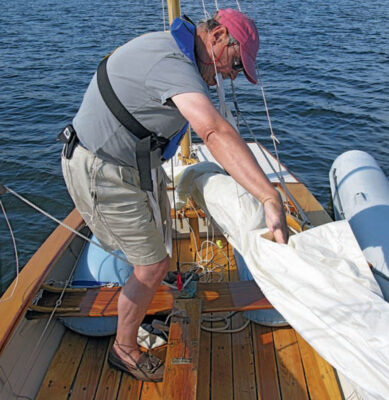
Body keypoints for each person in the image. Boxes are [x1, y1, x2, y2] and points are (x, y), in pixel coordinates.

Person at [61, 8, 288, 382]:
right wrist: (269, 197)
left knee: (160, 251)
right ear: (216, 38)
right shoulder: (171, 63)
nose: (232, 75)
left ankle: (151, 294)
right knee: (151, 266)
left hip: (135, 165)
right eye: (234, 63)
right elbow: (212, 132)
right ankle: (125, 350)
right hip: (102, 168)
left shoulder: (180, 57)